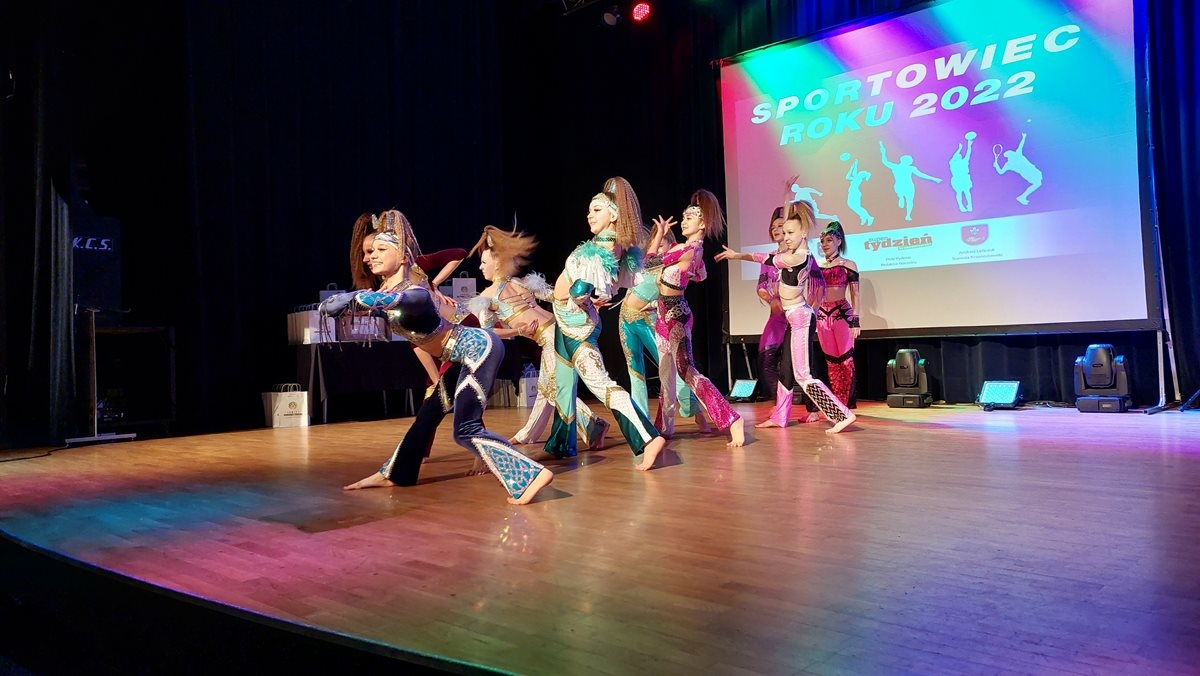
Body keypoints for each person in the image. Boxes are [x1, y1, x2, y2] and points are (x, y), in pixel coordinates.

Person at [326, 216, 553, 505]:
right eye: (372, 251)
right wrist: (352, 301)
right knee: (430, 411)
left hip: (476, 349)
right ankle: (396, 472)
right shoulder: (389, 292)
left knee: (465, 429)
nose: (372, 257)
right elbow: (406, 328)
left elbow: (406, 301)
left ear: (404, 256)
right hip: (458, 355)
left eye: (381, 250)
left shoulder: (415, 292)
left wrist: (355, 299)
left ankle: (529, 476)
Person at [545, 177, 667, 471]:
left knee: (601, 385)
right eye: (589, 210)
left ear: (614, 215)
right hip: (566, 320)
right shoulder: (607, 245)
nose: (589, 215)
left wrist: (582, 298)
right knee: (562, 384)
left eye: (597, 210)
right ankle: (561, 444)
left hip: (576, 326)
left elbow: (583, 289)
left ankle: (649, 438)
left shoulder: (602, 247)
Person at [466, 225, 610, 449]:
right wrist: (585, 302)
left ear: (498, 263)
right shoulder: (520, 283)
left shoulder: (488, 295)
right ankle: (527, 434)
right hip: (561, 330)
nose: (480, 267)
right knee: (546, 387)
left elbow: (488, 332)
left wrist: (517, 331)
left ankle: (594, 424)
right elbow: (556, 296)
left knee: (553, 388)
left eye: (484, 262)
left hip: (551, 338)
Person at [716, 212, 856, 433]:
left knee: (803, 375)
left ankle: (842, 414)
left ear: (803, 233)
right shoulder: (795, 252)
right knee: (786, 372)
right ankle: (780, 416)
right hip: (793, 317)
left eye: (791, 232)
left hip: (800, 319)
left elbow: (765, 258)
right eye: (785, 232)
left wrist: (737, 255)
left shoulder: (798, 257)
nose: (786, 237)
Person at [646, 189, 746, 447]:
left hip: (675, 315)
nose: (683, 221)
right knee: (666, 373)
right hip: (664, 312)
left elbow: (648, 263)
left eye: (689, 218)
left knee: (686, 370)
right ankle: (664, 427)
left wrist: (659, 235)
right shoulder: (693, 250)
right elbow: (701, 275)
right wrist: (685, 274)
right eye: (683, 217)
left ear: (702, 224)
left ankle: (731, 418)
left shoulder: (686, 248)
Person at [618, 224, 711, 433]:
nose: (658, 248)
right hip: (625, 318)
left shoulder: (674, 264)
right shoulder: (648, 263)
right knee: (635, 372)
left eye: (662, 244)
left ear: (671, 245)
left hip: (649, 320)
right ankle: (642, 421)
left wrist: (653, 304)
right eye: (655, 244)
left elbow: (690, 281)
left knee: (673, 370)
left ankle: (695, 411)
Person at [816, 221, 860, 408]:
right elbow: (814, 294)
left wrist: (856, 321)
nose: (825, 244)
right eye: (822, 241)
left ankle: (846, 404)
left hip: (842, 314)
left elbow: (855, 294)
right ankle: (837, 404)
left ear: (839, 241)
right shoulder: (817, 266)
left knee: (845, 361)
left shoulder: (848, 265)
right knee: (831, 362)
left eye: (829, 240)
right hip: (822, 316)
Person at [756, 207, 789, 403]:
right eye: (773, 226)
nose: (775, 229)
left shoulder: (798, 255)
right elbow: (760, 287)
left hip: (795, 316)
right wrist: (772, 299)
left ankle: (811, 410)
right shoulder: (769, 258)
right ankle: (781, 403)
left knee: (798, 366)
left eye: (780, 225)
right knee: (765, 359)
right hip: (777, 317)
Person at [879, 141, 942, 221]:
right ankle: (901, 198)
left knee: (909, 200)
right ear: (906, 161)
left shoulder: (904, 168)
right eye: (910, 160)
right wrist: (883, 151)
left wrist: (934, 179)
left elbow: (921, 175)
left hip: (907, 186)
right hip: (902, 186)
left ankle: (908, 215)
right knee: (908, 199)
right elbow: (885, 161)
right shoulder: (898, 167)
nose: (911, 162)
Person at [993, 132, 1043, 205]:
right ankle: (1022, 197)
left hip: (1031, 171)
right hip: (1029, 172)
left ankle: (1022, 197)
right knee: (1038, 183)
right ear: (1010, 154)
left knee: (1038, 183)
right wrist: (1024, 137)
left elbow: (1000, 172)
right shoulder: (1016, 156)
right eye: (1010, 152)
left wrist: (996, 165)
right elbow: (1021, 145)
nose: (1012, 152)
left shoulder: (1009, 163)